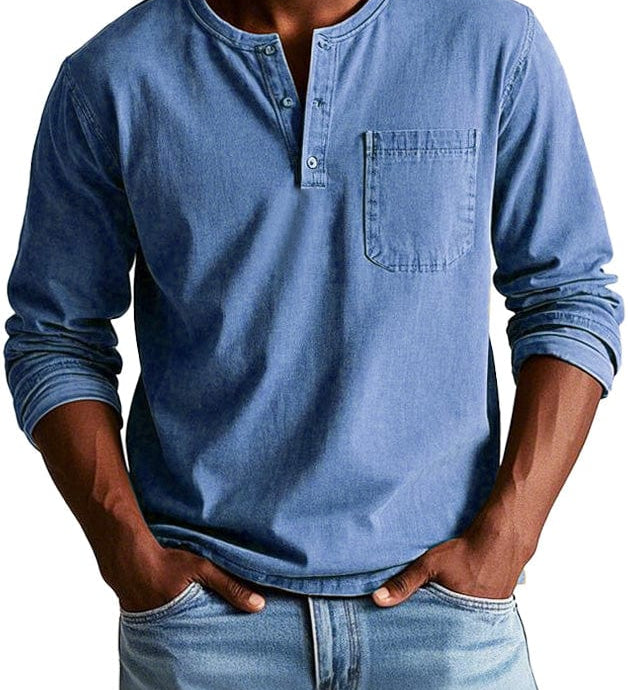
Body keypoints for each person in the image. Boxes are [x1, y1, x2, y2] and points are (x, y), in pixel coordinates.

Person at [3, 0, 623, 687]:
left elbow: (570, 296)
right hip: (207, 630)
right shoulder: (112, 77)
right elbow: (55, 337)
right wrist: (127, 553)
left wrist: (510, 536)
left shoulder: (492, 41)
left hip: (445, 621)